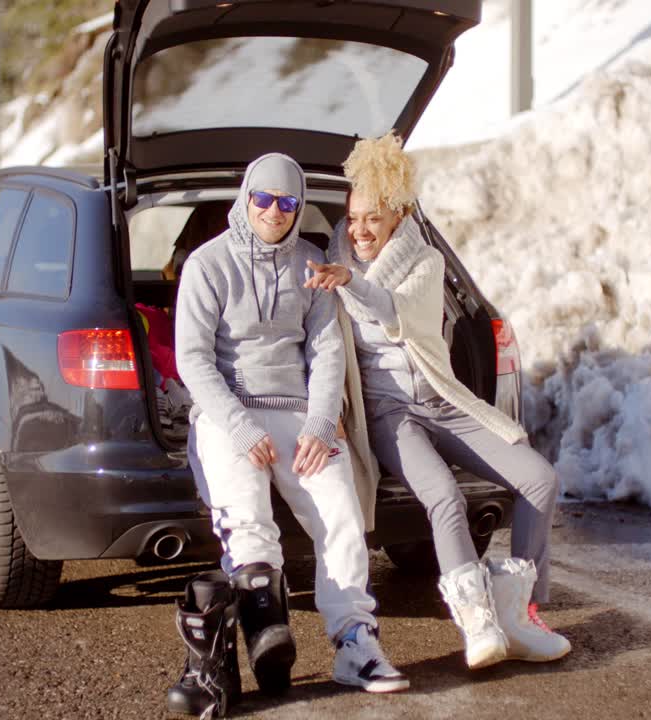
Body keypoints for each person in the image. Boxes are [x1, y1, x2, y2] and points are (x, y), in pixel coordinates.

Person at [304, 133, 572, 671]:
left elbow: (396, 310)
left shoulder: (423, 262)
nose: (359, 231)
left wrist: (351, 281)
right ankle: (477, 621)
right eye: (354, 217)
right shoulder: (333, 256)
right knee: (444, 497)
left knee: (539, 478)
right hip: (387, 414)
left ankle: (521, 613)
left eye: (373, 219)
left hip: (443, 402)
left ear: (400, 215)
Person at [167, 153, 408, 718]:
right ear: (246, 198)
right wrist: (239, 425)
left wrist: (323, 424)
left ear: (299, 207)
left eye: (288, 202)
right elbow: (193, 360)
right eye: (265, 200)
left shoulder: (313, 264)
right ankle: (264, 624)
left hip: (299, 412)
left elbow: (326, 352)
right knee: (248, 512)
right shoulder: (208, 265)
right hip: (228, 413)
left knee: (341, 512)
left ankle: (354, 641)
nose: (275, 211)